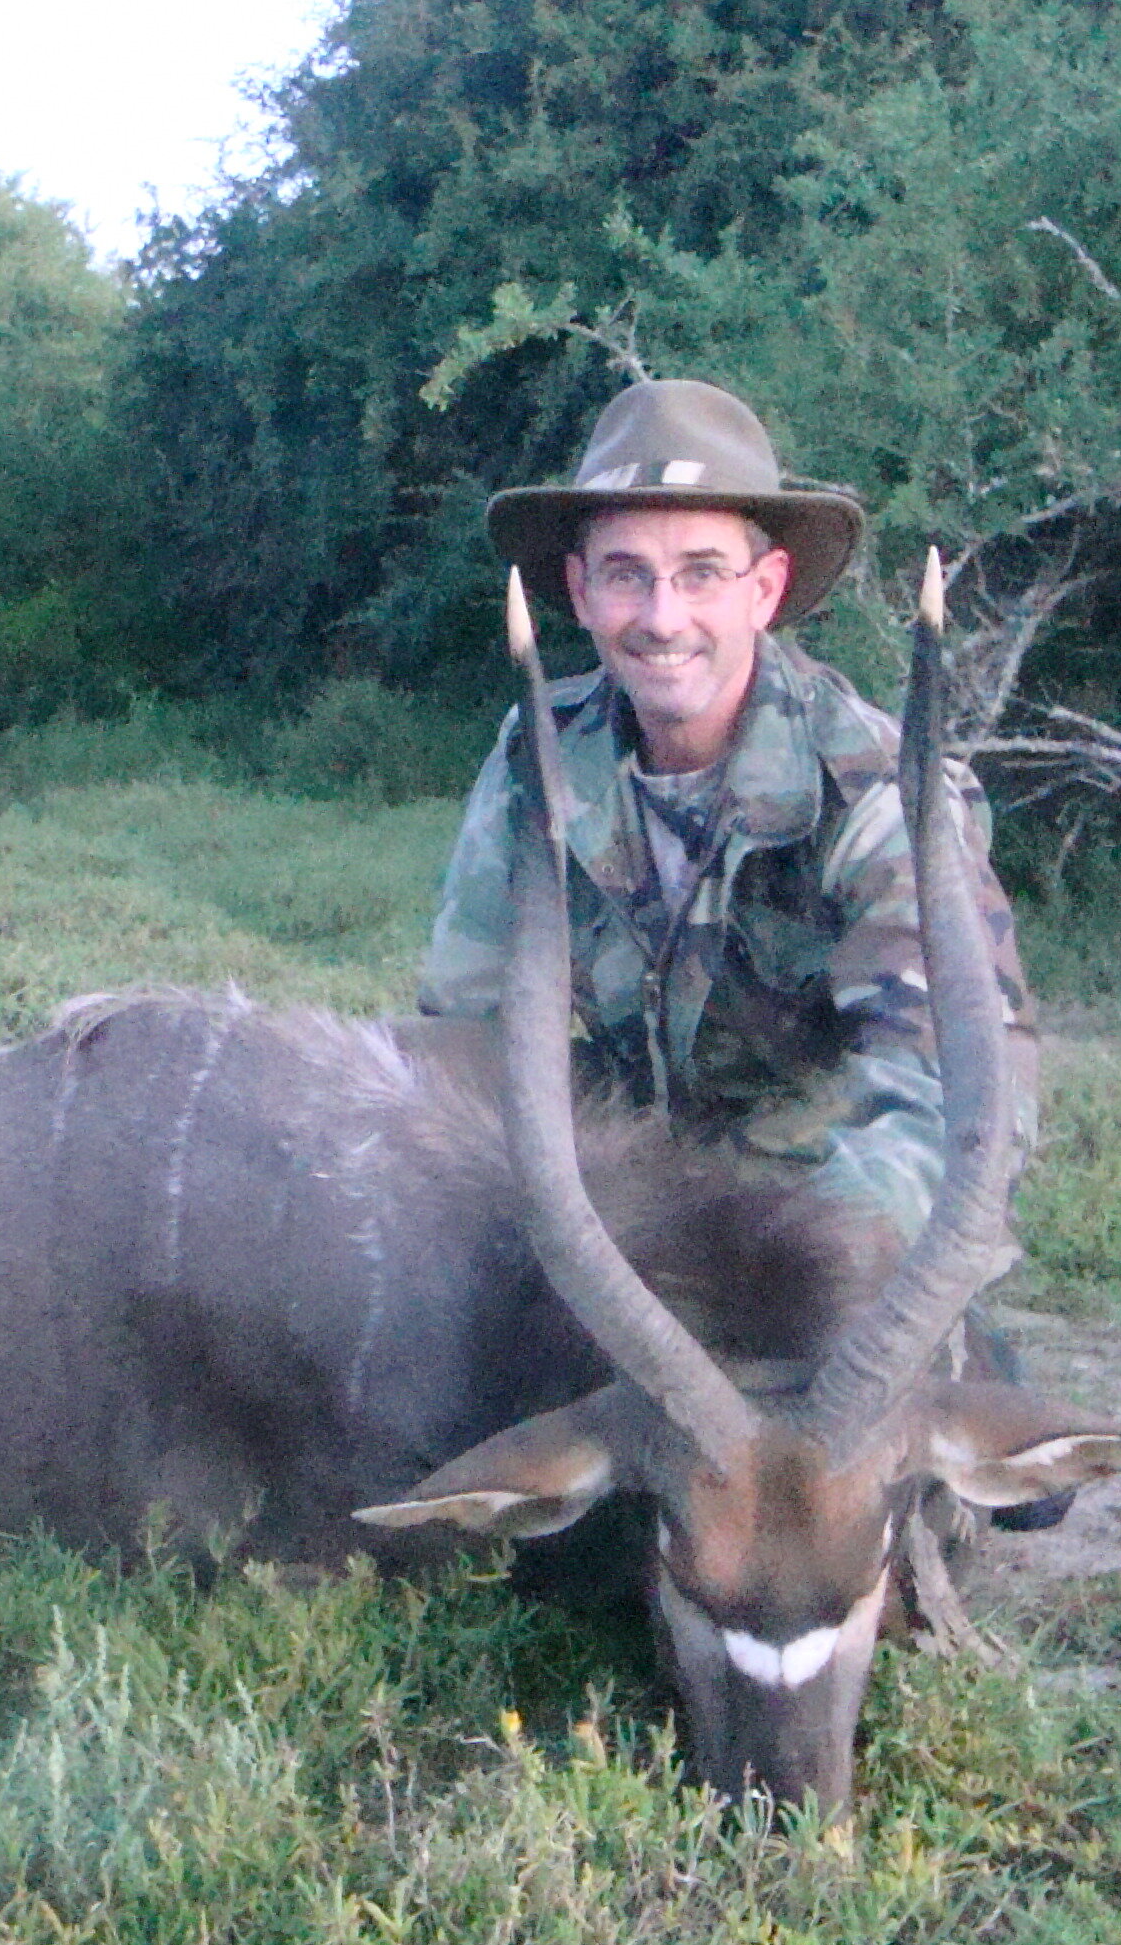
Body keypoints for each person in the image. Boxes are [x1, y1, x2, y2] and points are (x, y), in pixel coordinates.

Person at [419, 379, 1050, 1488]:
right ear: (577, 588)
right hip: (614, 1242)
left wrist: (792, 1284)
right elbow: (465, 1049)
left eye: (702, 573)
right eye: (626, 573)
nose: (662, 617)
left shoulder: (877, 785)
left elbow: (955, 1098)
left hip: (812, 1244)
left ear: (767, 588)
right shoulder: (535, 761)